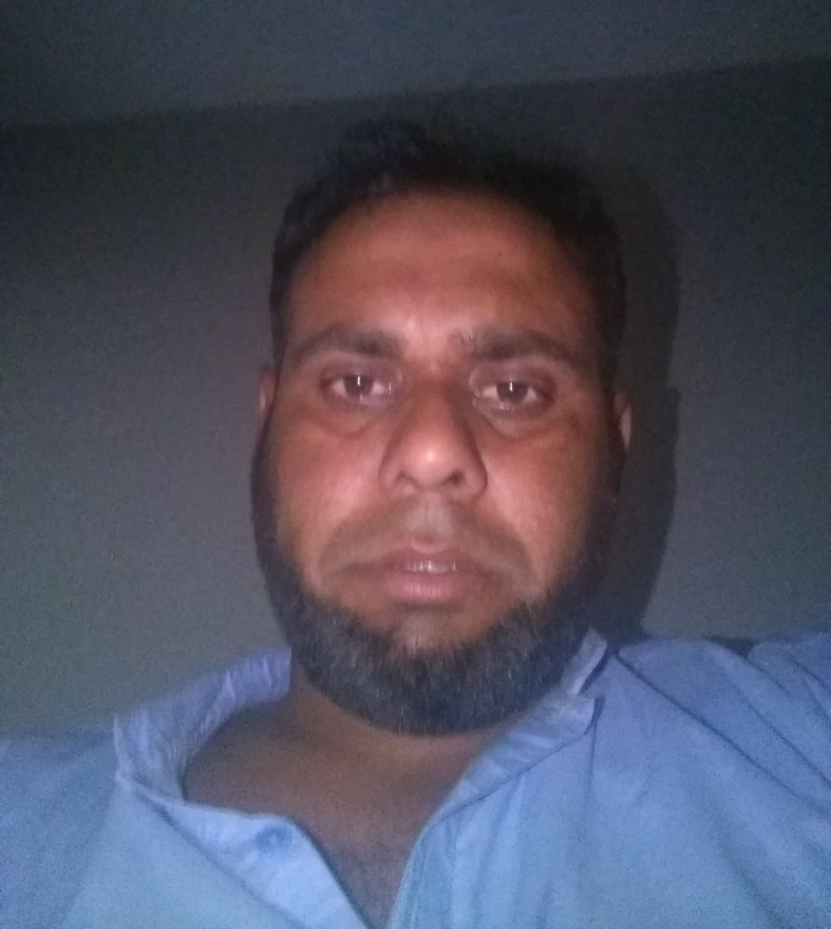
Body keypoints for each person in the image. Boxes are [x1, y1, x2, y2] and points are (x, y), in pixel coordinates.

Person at [1, 120, 829, 929]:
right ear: (268, 420)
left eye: (515, 391)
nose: (432, 452)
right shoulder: (21, 830)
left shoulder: (799, 737)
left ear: (616, 441)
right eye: (355, 384)